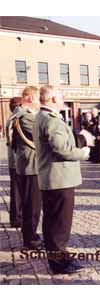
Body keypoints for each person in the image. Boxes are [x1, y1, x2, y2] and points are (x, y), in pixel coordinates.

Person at [33, 85, 91, 274]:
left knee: (53, 222)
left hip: (53, 178)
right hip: (59, 179)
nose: (63, 98)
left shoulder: (42, 116)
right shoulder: (52, 120)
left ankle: (59, 258)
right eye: (60, 96)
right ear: (52, 99)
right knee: (59, 224)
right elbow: (62, 149)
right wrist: (83, 152)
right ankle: (59, 263)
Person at [12, 86, 43, 249]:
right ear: (30, 98)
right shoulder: (25, 116)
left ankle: (31, 236)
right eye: (37, 99)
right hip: (31, 165)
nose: (39, 102)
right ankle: (31, 240)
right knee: (32, 205)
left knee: (32, 204)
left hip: (29, 164)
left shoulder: (21, 113)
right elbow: (40, 135)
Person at [5, 97, 23, 228]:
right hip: (17, 161)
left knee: (16, 190)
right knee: (17, 191)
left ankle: (16, 217)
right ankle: (16, 218)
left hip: (14, 160)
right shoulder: (16, 118)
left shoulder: (12, 117)